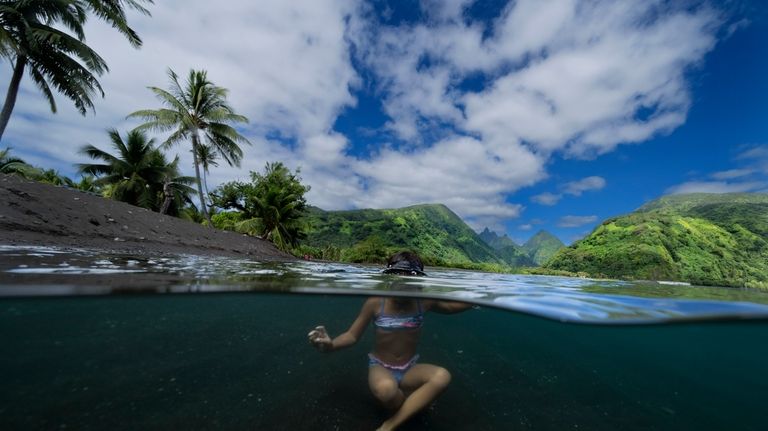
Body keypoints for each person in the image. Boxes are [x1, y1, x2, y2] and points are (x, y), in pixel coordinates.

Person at [307, 251, 472, 431]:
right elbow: (352, 335)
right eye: (396, 281)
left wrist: (477, 298)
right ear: (388, 279)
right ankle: (413, 407)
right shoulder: (376, 302)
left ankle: (389, 425)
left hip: (410, 367)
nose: (401, 287)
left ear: (417, 285)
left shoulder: (423, 302)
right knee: (387, 391)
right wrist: (331, 345)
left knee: (442, 376)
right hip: (381, 366)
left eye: (408, 283)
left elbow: (451, 307)